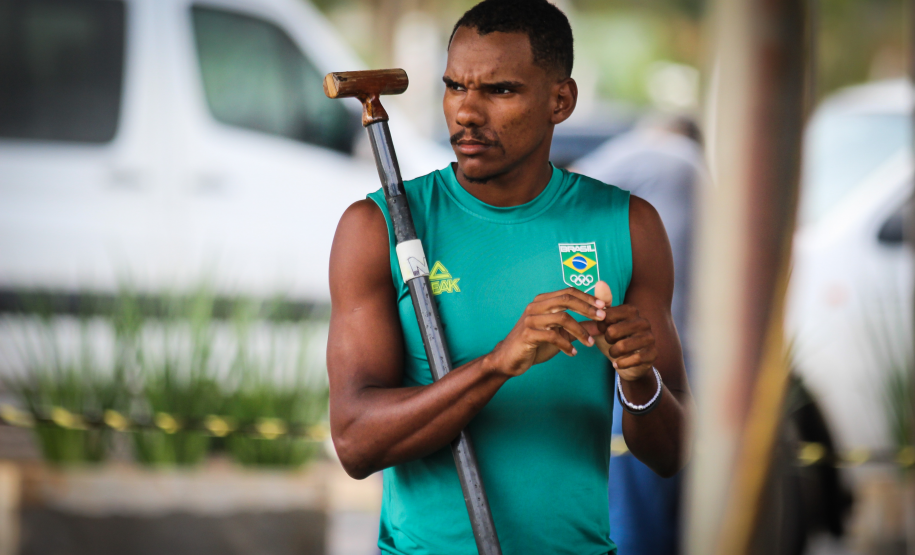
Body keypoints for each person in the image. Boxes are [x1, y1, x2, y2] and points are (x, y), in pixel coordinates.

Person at [326, 1, 693, 553]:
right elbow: (355, 443)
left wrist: (639, 381)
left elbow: (671, 454)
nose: (466, 112)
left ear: (560, 101)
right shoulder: (376, 227)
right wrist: (499, 363)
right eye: (454, 87)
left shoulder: (628, 226)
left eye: (499, 91)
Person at [574, 116, 706, 555]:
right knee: (669, 496)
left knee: (635, 505)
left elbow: (564, 188)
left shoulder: (657, 153)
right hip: (687, 351)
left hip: (638, 351)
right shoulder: (696, 171)